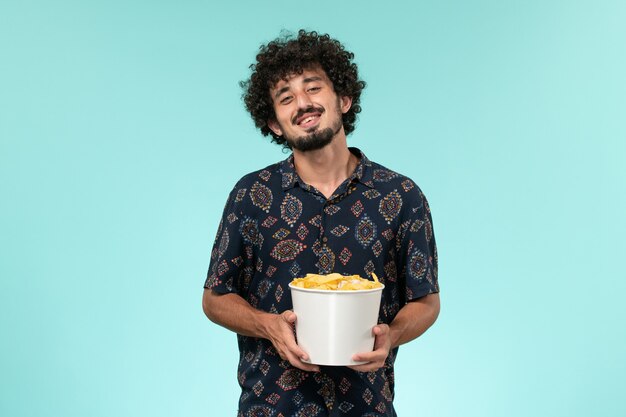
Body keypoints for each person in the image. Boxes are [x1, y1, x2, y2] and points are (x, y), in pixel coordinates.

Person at [202, 30, 440, 417]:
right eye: (286, 98)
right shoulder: (250, 195)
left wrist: (391, 335)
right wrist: (267, 326)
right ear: (275, 124)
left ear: (344, 99)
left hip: (367, 407)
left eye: (313, 88)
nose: (303, 103)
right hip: (271, 406)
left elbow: (426, 300)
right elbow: (215, 298)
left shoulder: (401, 196)